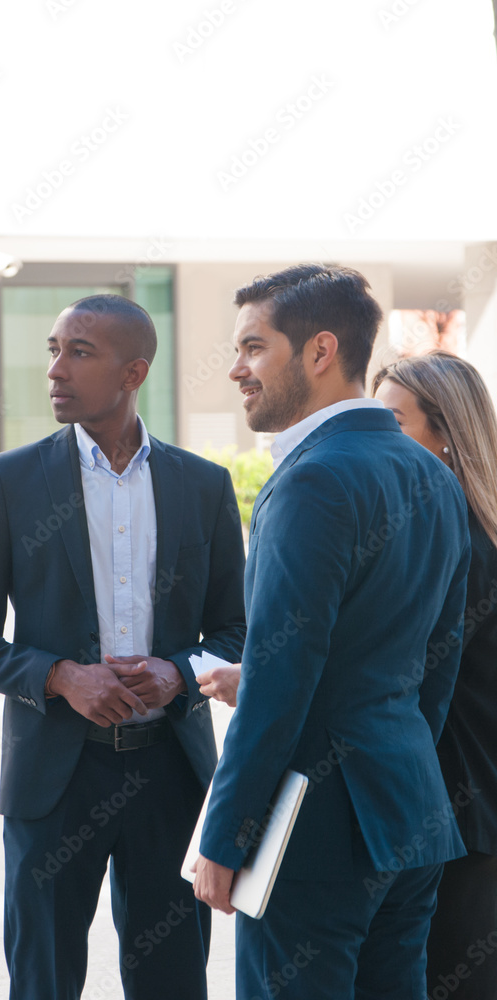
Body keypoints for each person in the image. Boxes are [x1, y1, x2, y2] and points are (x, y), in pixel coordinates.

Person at [0, 293, 246, 1000]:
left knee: (172, 982)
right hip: (54, 781)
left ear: (133, 371)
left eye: (79, 352)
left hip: (172, 773)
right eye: (52, 349)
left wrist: (180, 671)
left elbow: (238, 628)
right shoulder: (9, 482)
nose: (54, 369)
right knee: (42, 981)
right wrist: (59, 677)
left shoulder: (203, 486)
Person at [191, 263, 472, 1000]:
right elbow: (437, 672)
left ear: (319, 352)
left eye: (254, 348)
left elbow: (280, 680)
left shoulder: (314, 479)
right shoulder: (433, 476)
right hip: (413, 810)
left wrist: (223, 839)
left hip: (314, 834)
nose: (235, 369)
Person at [373, 351, 497, 1000]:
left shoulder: (465, 540)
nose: (376, 440)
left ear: (446, 434)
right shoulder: (465, 527)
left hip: (461, 807)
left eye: (392, 422)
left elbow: (413, 671)